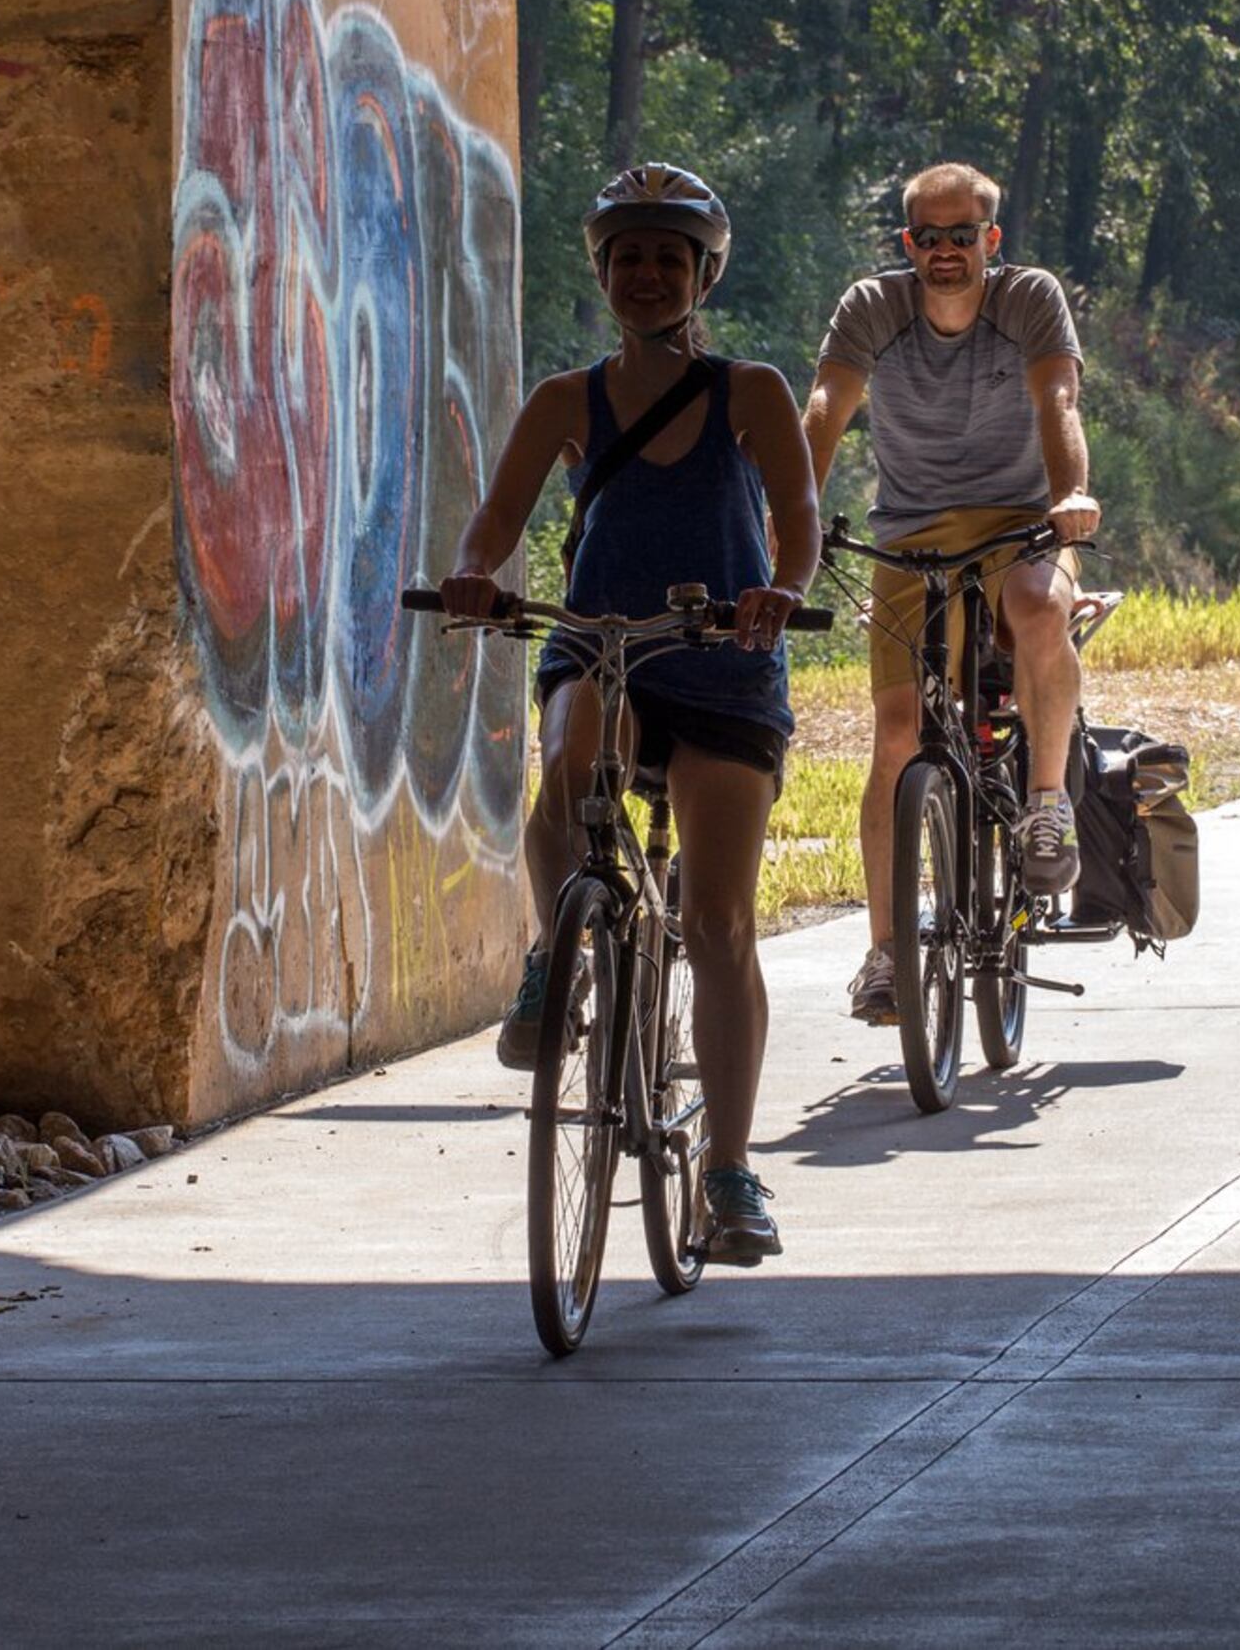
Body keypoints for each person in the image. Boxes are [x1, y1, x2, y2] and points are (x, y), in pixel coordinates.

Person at [435, 165, 819, 1267]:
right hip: (602, 640)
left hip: (724, 665)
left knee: (722, 921)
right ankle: (556, 953)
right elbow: (497, 518)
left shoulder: (751, 392)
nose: (647, 276)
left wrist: (782, 591)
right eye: (628, 258)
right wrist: (475, 574)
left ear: (702, 275)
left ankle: (730, 1171)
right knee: (569, 761)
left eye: (668, 259)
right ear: (603, 273)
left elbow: (797, 514)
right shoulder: (567, 400)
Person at [801, 161, 1100, 1026]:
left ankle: (1046, 806)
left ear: (989, 240)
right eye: (927, 236)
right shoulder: (871, 307)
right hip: (910, 533)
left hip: (1021, 522)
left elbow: (1058, 397)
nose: (943, 250)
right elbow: (826, 404)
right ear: (908, 243)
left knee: (1040, 608)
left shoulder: (1030, 298)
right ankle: (885, 954)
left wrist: (1070, 494)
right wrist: (790, 513)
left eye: (960, 235)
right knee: (897, 735)